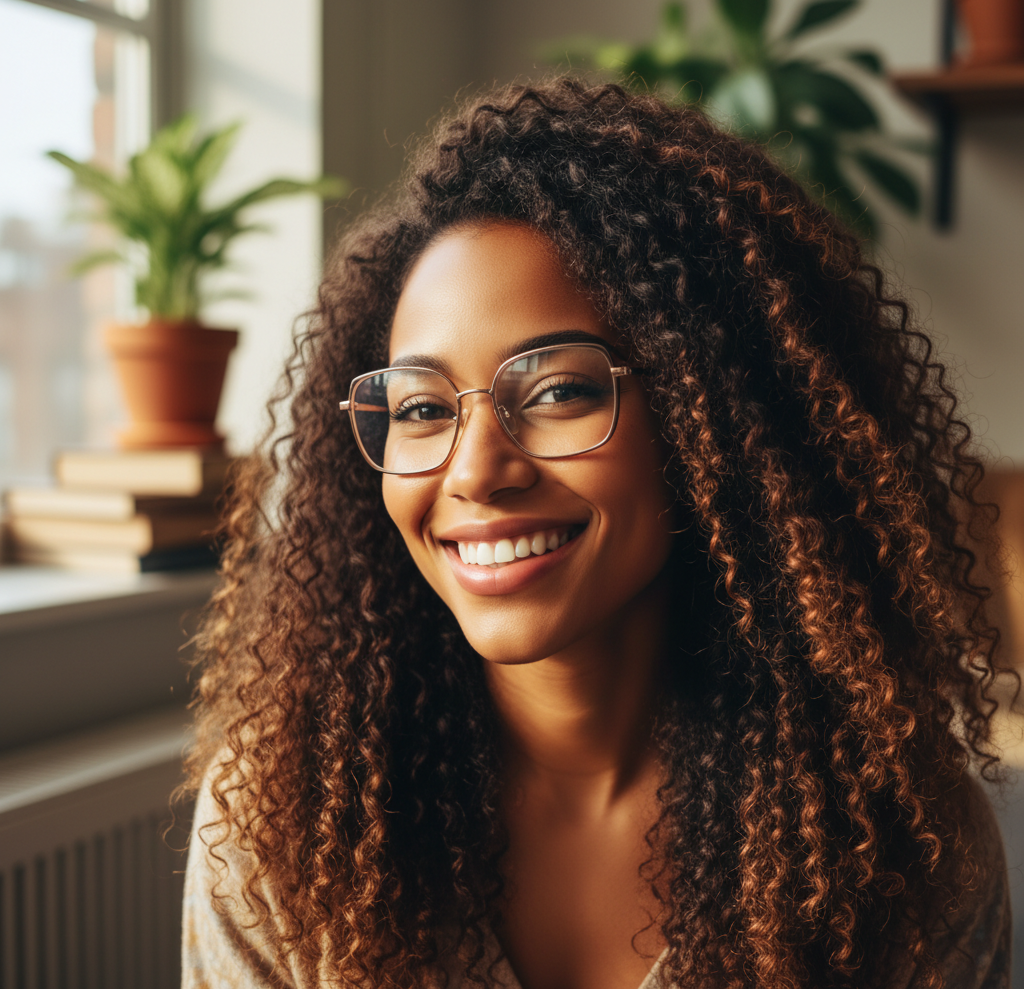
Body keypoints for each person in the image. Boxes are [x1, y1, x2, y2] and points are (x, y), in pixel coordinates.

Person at [181, 79, 1012, 989]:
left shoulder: (906, 845)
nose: (472, 472)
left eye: (559, 392)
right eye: (420, 408)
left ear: (710, 423)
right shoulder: (281, 821)